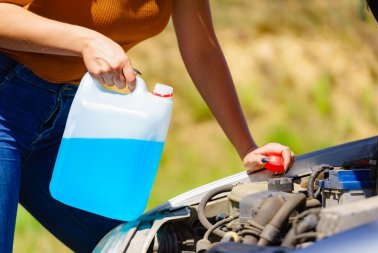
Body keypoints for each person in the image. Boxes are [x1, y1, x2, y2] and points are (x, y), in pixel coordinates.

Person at [0, 1, 296, 252]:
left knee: (143, 246)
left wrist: (247, 147)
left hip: (69, 120)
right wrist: (85, 41)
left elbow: (202, 50)